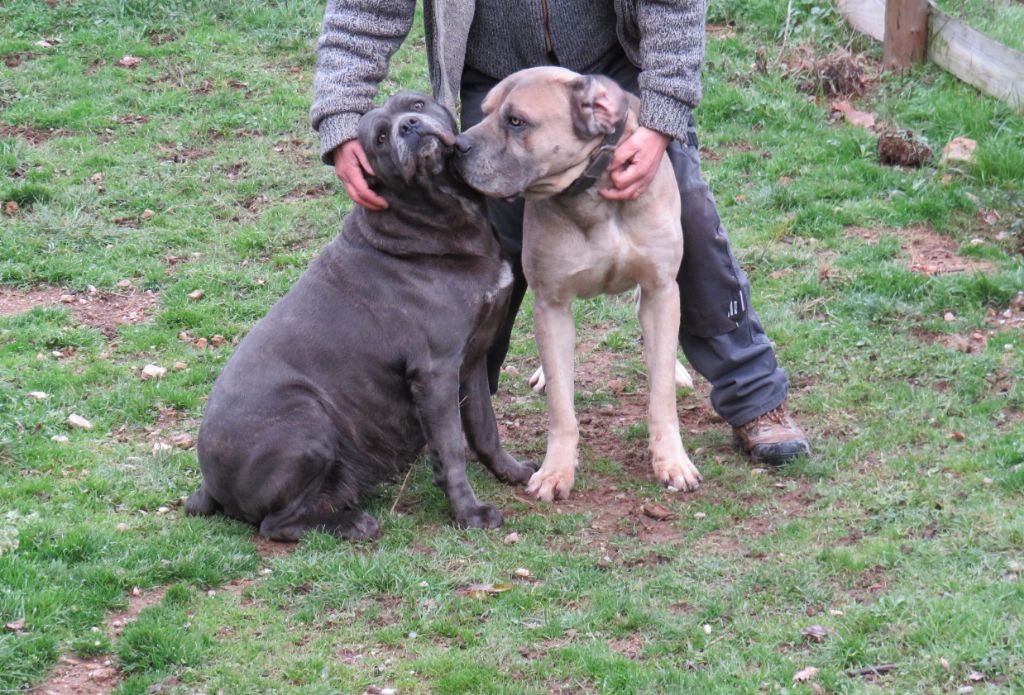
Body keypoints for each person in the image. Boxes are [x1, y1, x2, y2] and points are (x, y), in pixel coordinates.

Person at [309, 1, 810, 466]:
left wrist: (662, 117)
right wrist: (340, 109)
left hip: (614, 69)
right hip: (491, 87)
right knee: (480, 247)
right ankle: (446, 415)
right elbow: (365, 5)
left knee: (690, 224)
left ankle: (755, 396)